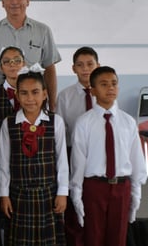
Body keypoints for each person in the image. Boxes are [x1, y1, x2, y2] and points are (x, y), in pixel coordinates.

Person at [70, 66, 148, 246]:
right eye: (104, 84)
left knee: (118, 238)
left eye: (114, 83)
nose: (111, 88)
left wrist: (136, 192)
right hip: (94, 188)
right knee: (93, 237)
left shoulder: (128, 122)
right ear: (93, 90)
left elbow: (136, 159)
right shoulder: (84, 122)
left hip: (121, 187)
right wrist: (77, 193)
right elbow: (78, 162)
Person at [0, 64, 68, 245]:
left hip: (48, 195)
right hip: (18, 195)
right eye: (24, 93)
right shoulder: (9, 123)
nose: (30, 98)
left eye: (35, 92)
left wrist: (62, 192)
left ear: (45, 94)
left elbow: (62, 161)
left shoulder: (55, 122)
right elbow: (4, 163)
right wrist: (4, 194)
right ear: (17, 95)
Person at [0, 0, 61, 113]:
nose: (14, 2)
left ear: (27, 0)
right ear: (2, 3)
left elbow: (50, 69)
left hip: (34, 98)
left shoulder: (43, 30)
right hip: (2, 98)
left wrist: (52, 104)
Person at [55, 46, 100, 246]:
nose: (85, 69)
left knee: (96, 207)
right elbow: (61, 132)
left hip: (99, 157)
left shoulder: (105, 92)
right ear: (73, 68)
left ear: (97, 65)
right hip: (73, 155)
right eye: (80, 65)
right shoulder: (65, 96)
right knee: (75, 207)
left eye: (90, 64)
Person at [0, 46, 26, 145]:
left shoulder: (34, 92)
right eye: (6, 61)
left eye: (17, 60)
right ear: (1, 68)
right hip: (2, 147)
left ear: (24, 64)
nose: (12, 64)